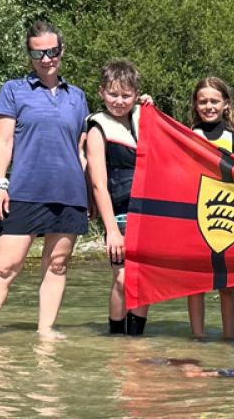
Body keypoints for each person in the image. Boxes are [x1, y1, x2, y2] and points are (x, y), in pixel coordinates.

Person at [0, 19, 90, 340]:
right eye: (39, 54)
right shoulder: (13, 90)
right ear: (29, 56)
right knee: (5, 266)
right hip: (24, 191)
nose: (47, 59)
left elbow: (82, 150)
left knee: (57, 264)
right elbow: (3, 142)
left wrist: (90, 194)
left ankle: (46, 331)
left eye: (53, 51)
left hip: (69, 192)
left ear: (62, 51)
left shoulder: (78, 97)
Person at [86, 60, 150, 335]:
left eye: (126, 95)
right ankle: (115, 336)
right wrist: (111, 230)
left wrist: (150, 107)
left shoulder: (144, 118)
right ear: (102, 93)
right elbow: (99, 184)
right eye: (113, 94)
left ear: (136, 94)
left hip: (148, 213)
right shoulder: (97, 129)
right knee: (123, 279)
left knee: (143, 279)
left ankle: (135, 340)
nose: (119, 101)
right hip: (120, 214)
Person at [187, 76, 234, 340]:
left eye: (214, 101)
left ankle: (229, 341)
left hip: (228, 219)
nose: (208, 106)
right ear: (196, 106)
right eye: (203, 101)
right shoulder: (185, 137)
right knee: (194, 284)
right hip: (193, 216)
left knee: (227, 284)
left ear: (225, 104)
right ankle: (197, 339)